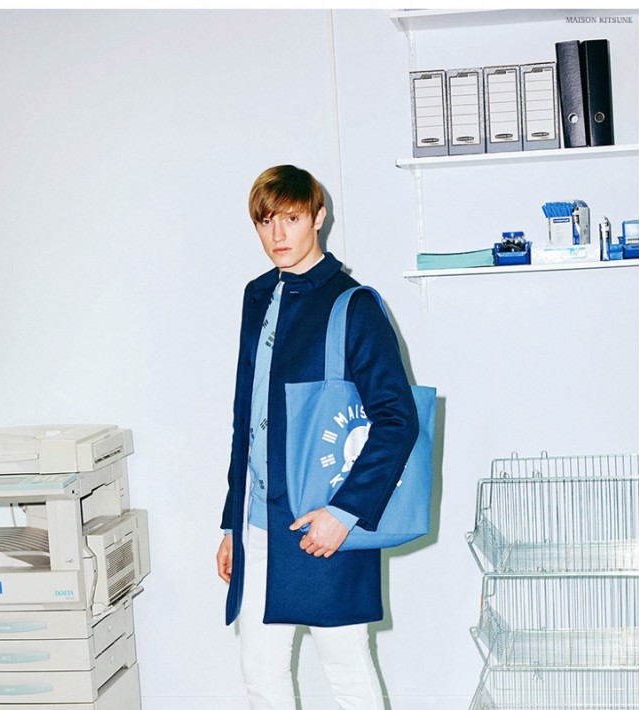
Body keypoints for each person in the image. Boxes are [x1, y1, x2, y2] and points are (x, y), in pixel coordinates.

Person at [216, 164, 419, 709]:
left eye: (291, 218)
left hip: (321, 518)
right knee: (260, 676)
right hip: (258, 522)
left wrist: (344, 513)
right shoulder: (258, 296)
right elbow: (246, 419)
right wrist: (233, 523)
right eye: (265, 221)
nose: (277, 234)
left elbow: (397, 418)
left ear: (318, 217)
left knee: (346, 671)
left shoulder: (353, 304)